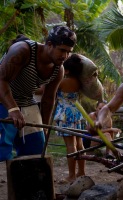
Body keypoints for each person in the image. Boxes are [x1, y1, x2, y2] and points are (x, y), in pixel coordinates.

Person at [0, 25, 76, 161]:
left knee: (36, 150)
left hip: (26, 101)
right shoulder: (23, 50)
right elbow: (1, 79)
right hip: (3, 99)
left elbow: (48, 99)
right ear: (49, 44)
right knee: (2, 148)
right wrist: (13, 109)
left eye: (68, 52)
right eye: (62, 50)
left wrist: (45, 127)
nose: (65, 56)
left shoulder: (58, 70)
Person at [54, 53, 88, 183]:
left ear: (66, 70)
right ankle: (81, 172)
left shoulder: (63, 81)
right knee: (79, 144)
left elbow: (46, 91)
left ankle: (71, 175)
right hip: (77, 113)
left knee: (70, 145)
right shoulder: (79, 82)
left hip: (65, 114)